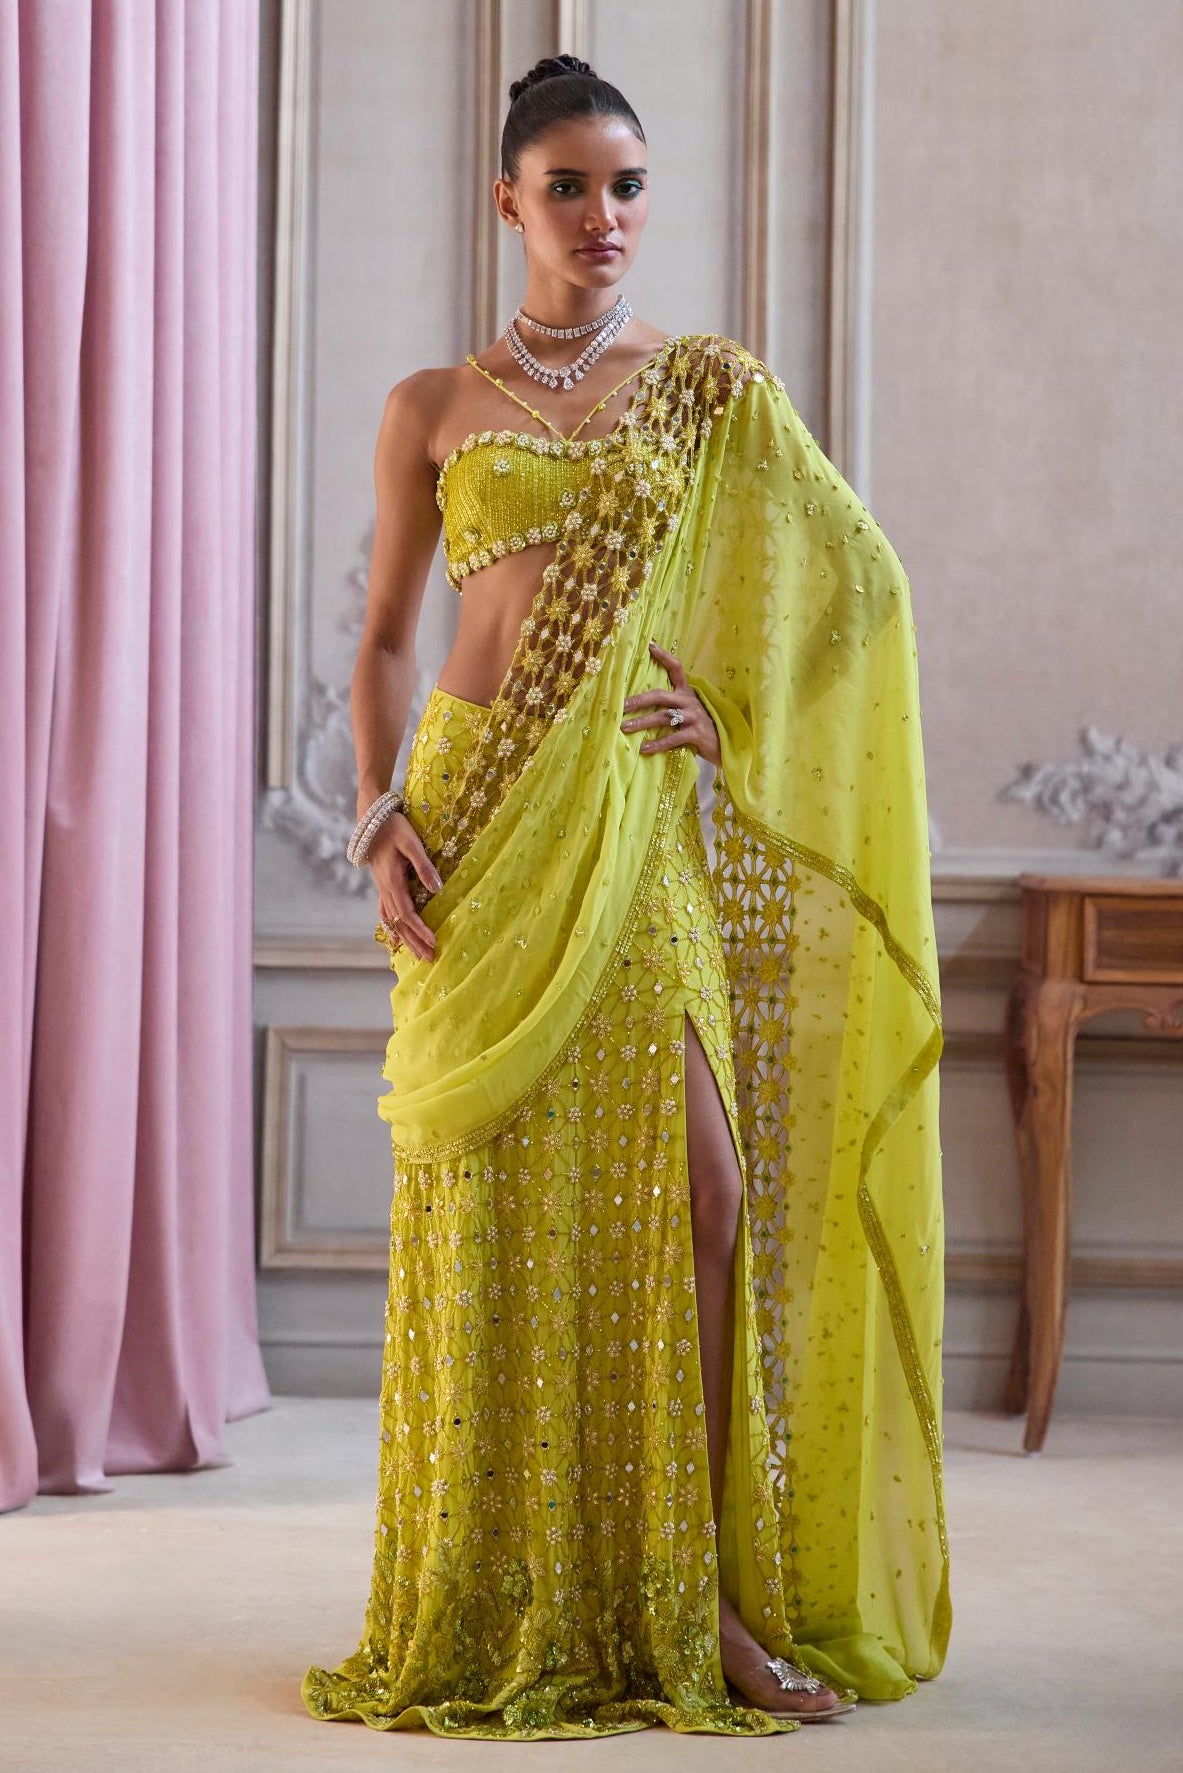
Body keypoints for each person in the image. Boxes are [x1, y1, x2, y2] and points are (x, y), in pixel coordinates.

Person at [301, 54, 949, 1741]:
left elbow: (855, 594)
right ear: (509, 201)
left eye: (631, 186)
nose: (607, 217)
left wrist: (732, 718)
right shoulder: (431, 405)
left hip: (629, 821)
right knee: (492, 1216)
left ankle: (703, 1597)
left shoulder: (705, 391)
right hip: (474, 816)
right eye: (572, 187)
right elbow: (382, 643)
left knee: (707, 1191)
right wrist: (375, 812)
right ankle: (500, 1584)